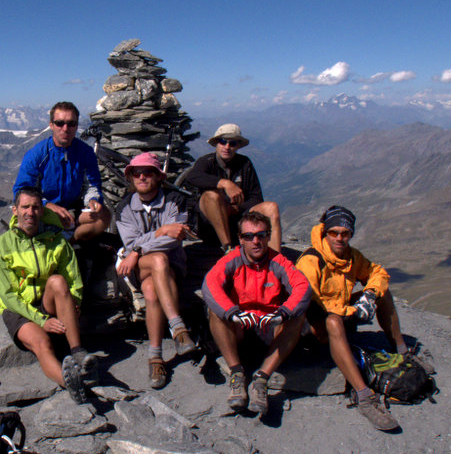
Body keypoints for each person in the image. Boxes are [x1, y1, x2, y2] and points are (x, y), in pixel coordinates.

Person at [296, 205, 431, 431]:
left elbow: (377, 272)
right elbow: (317, 302)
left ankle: (402, 352)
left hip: (341, 316)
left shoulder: (351, 256)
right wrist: (355, 311)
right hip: (314, 328)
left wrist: (369, 295)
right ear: (325, 231)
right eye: (334, 232)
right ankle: (364, 397)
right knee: (333, 320)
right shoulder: (310, 261)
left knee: (382, 292)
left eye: (345, 233)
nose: (339, 238)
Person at [0, 186, 97, 403]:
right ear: (15, 210)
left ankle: (77, 351)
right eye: (25, 207)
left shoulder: (55, 241)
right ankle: (72, 384)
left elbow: (73, 279)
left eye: (35, 207)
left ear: (42, 211)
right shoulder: (0, 246)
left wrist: (74, 302)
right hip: (18, 309)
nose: (30, 212)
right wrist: (41, 320)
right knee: (42, 344)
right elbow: (8, 294)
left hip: (47, 302)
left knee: (57, 281)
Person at [202, 211, 310, 416]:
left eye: (261, 235)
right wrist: (232, 313)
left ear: (269, 236)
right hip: (241, 324)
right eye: (248, 236)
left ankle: (261, 378)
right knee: (215, 312)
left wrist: (284, 313)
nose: (256, 241)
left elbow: (302, 286)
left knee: (298, 316)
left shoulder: (278, 262)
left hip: (269, 324)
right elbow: (210, 284)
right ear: (240, 239)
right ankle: (236, 373)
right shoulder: (232, 260)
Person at [115, 152, 198, 388]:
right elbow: (131, 243)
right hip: (139, 267)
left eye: (148, 172)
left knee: (151, 290)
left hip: (171, 267)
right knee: (158, 259)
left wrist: (139, 248)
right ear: (130, 177)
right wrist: (160, 232)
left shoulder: (175, 200)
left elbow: (177, 236)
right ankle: (178, 328)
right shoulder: (124, 207)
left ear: (158, 177)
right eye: (136, 173)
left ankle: (155, 357)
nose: (142, 177)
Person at [12, 101, 110, 243]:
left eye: (71, 124)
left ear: (76, 126)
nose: (65, 128)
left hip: (73, 209)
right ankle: (66, 241)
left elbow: (92, 185)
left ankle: (70, 243)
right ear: (51, 125)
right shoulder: (37, 154)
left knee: (104, 215)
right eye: (60, 123)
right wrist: (48, 205)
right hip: (44, 210)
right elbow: (21, 191)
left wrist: (92, 201)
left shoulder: (85, 152)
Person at [185, 124, 282, 253]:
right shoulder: (206, 162)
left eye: (233, 143)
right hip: (211, 227)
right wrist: (224, 183)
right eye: (223, 142)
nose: (227, 147)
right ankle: (228, 248)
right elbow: (192, 177)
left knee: (271, 207)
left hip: (239, 223)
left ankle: (276, 260)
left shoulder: (245, 163)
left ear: (238, 146)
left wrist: (235, 209)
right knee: (211, 196)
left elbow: (256, 198)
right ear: (216, 144)